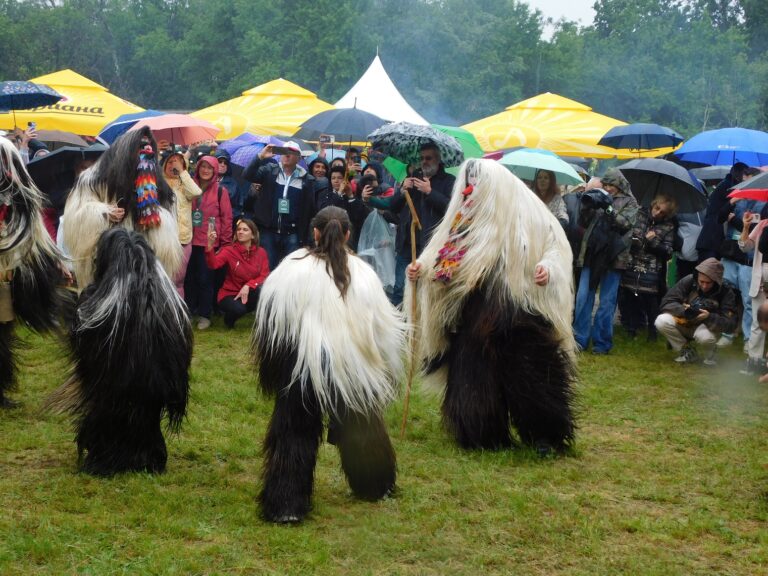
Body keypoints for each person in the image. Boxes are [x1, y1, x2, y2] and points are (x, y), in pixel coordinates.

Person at [405, 159, 576, 453]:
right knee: (472, 374)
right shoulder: (465, 218)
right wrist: (420, 267)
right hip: (473, 315)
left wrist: (547, 269)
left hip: (520, 315)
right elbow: (443, 251)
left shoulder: (530, 213)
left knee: (530, 376)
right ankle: (480, 434)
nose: (471, 190)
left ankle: (545, 436)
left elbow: (555, 246)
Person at [253, 206, 406, 523]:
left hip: (300, 368)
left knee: (294, 431)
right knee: (362, 424)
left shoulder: (289, 269)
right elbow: (383, 331)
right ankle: (375, 485)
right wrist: (381, 374)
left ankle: (287, 506)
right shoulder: (364, 275)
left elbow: (269, 329)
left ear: (315, 232)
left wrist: (276, 374)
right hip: (352, 368)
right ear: (348, 234)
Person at [63, 127, 182, 288]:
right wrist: (103, 212)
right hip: (109, 258)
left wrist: (153, 217)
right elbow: (76, 214)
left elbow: (170, 218)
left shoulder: (158, 186)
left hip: (148, 259)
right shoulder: (93, 179)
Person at [0, 137, 66, 408]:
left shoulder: (16, 200)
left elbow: (36, 237)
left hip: (5, 277)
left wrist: (56, 262)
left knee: (2, 334)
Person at [573, 168, 639, 354]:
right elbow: (583, 224)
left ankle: (602, 343)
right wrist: (587, 205)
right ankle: (580, 339)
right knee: (583, 297)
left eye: (612, 185)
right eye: (606, 185)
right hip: (591, 254)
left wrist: (608, 208)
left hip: (614, 257)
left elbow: (626, 224)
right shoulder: (598, 195)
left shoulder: (630, 201)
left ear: (620, 184)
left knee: (607, 302)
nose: (608, 188)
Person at [387, 142, 454, 306]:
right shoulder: (413, 178)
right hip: (406, 244)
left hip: (430, 247)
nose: (424, 161)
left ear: (438, 160)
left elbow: (452, 209)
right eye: (422, 158)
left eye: (429, 158)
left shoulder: (449, 181)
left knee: (425, 291)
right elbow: (393, 207)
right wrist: (402, 191)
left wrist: (430, 192)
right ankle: (400, 328)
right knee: (400, 288)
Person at [242, 141, 316, 270]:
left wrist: (305, 237)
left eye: (291, 152)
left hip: (292, 233)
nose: (287, 155)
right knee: (267, 270)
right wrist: (260, 156)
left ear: (298, 158)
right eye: (284, 151)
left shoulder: (306, 179)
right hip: (269, 230)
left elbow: (309, 210)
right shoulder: (269, 170)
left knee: (289, 271)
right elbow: (247, 175)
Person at [654, 258, 737, 364]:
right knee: (661, 321)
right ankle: (687, 351)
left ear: (716, 280)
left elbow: (731, 324)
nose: (704, 286)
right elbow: (666, 302)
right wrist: (684, 310)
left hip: (707, 327)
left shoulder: (726, 292)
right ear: (697, 276)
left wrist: (709, 317)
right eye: (701, 281)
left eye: (708, 283)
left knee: (705, 338)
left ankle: (711, 354)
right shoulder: (689, 280)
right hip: (684, 321)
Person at [619, 194, 678, 340]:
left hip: (651, 267)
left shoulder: (668, 226)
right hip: (632, 262)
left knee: (650, 301)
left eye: (662, 212)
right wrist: (635, 239)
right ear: (653, 204)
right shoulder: (639, 214)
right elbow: (626, 234)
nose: (657, 213)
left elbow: (669, 251)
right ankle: (631, 329)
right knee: (630, 296)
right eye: (657, 208)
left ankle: (653, 331)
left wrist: (653, 242)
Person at [184, 155, 233, 330]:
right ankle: (188, 310)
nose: (205, 170)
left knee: (206, 280)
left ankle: (205, 314)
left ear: (214, 171)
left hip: (209, 243)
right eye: (203, 167)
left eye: (209, 168)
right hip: (189, 240)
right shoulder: (189, 188)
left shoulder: (221, 191)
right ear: (198, 168)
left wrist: (226, 243)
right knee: (188, 278)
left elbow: (227, 218)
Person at [205, 218, 269, 328]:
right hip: (229, 294)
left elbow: (265, 275)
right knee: (239, 310)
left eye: (245, 229)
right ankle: (229, 320)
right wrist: (210, 246)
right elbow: (213, 264)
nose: (240, 232)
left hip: (249, 292)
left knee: (262, 290)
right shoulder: (229, 250)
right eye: (239, 229)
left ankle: (263, 325)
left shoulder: (261, 252)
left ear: (253, 235)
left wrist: (249, 285)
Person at [161, 149, 201, 298]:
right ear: (164, 165)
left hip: (183, 239)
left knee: (178, 280)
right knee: (163, 277)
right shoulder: (158, 183)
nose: (173, 165)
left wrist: (183, 172)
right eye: (170, 162)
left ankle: (178, 314)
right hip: (163, 239)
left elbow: (196, 192)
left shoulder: (185, 184)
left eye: (177, 162)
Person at [696, 162, 749, 261]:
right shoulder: (728, 187)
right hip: (712, 240)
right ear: (741, 174)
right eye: (747, 175)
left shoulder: (726, 184)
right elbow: (721, 214)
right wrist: (733, 201)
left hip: (711, 240)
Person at [737, 208, 768, 374]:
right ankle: (754, 361)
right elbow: (744, 247)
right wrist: (746, 227)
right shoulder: (763, 225)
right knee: (758, 323)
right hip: (761, 281)